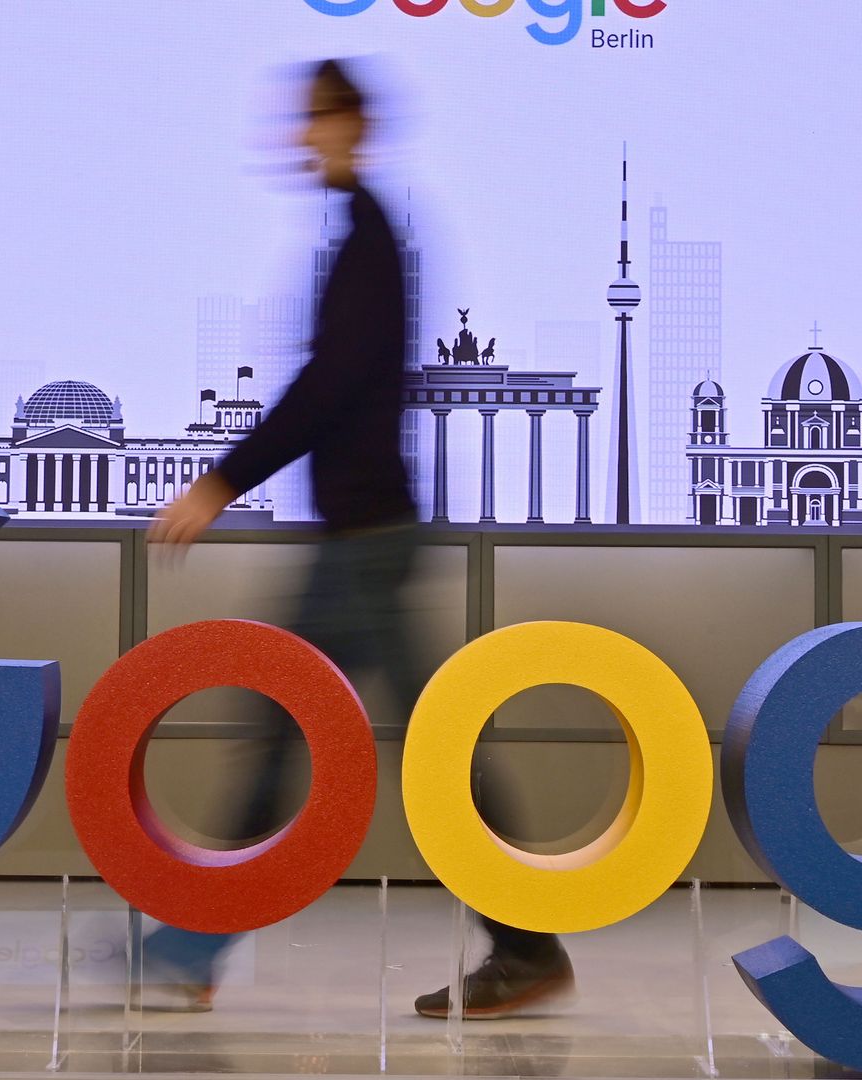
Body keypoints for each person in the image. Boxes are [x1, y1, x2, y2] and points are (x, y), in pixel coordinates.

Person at [150, 59, 576, 1020]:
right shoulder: (362, 235)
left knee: (397, 743)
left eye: (312, 118)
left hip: (367, 541)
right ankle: (191, 947)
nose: (298, 136)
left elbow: (329, 386)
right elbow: (332, 385)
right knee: (323, 729)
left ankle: (522, 944)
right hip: (360, 534)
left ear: (351, 122)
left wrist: (222, 481)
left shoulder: (371, 240)